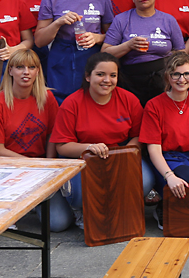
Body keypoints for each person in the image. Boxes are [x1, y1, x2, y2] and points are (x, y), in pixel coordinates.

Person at [51, 52, 147, 230]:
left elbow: (139, 135)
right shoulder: (72, 103)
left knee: (146, 181)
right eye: (100, 74)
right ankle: (78, 208)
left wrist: (124, 154)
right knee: (65, 213)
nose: (107, 80)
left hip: (119, 155)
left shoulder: (129, 99)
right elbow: (62, 146)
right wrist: (89, 148)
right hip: (83, 160)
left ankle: (114, 209)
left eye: (113, 75)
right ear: (88, 76)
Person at [0, 49, 65, 228]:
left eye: (31, 67)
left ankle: (33, 203)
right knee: (2, 225)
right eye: (20, 67)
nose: (26, 72)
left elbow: (52, 134)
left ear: (38, 71)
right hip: (7, 169)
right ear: (10, 70)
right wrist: (33, 166)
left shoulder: (47, 97)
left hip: (41, 167)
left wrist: (49, 164)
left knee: (59, 224)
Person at [140, 52, 189, 229]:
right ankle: (164, 205)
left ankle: (179, 208)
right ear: (168, 76)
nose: (182, 79)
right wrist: (169, 176)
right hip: (167, 160)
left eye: (187, 74)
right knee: (188, 178)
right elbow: (153, 148)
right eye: (176, 74)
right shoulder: (154, 105)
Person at [35, 0, 114, 97]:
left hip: (91, 57)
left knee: (89, 100)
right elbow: (39, 41)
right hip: (61, 56)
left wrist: (96, 38)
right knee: (59, 101)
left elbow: (113, 36)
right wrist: (58, 23)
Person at [102, 0, 185, 105]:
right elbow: (105, 54)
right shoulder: (122, 20)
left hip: (163, 80)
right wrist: (128, 45)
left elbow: (181, 53)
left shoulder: (168, 20)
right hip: (131, 81)